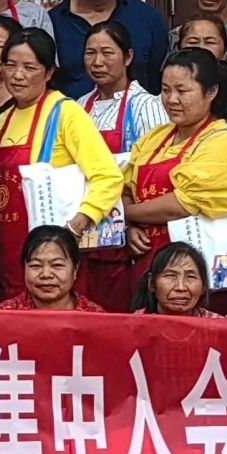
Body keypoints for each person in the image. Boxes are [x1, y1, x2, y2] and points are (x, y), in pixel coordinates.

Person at [0, 28, 124, 301]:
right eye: (10, 65)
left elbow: (108, 176)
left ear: (49, 72)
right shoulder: (2, 120)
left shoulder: (66, 113)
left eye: (29, 68)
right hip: (9, 249)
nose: (17, 75)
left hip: (54, 250)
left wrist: (76, 226)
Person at [123, 49, 227, 295]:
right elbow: (125, 188)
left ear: (211, 92)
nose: (171, 99)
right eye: (165, 90)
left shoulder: (221, 140)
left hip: (194, 271)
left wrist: (127, 214)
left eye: (182, 91)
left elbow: (183, 204)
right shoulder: (154, 138)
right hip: (146, 262)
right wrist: (128, 228)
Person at [75, 21, 169, 307]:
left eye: (107, 52)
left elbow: (153, 174)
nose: (97, 62)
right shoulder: (78, 106)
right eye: (90, 53)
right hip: (85, 231)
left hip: (130, 238)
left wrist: (129, 224)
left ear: (128, 57)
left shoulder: (147, 105)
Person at [0, 226, 103, 311]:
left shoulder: (95, 317)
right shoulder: (3, 315)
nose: (46, 274)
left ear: (75, 269)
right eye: (36, 265)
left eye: (57, 265)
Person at [131, 242, 223, 317]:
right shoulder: (134, 325)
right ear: (151, 283)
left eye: (190, 277)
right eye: (170, 276)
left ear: (203, 286)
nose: (180, 287)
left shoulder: (218, 326)